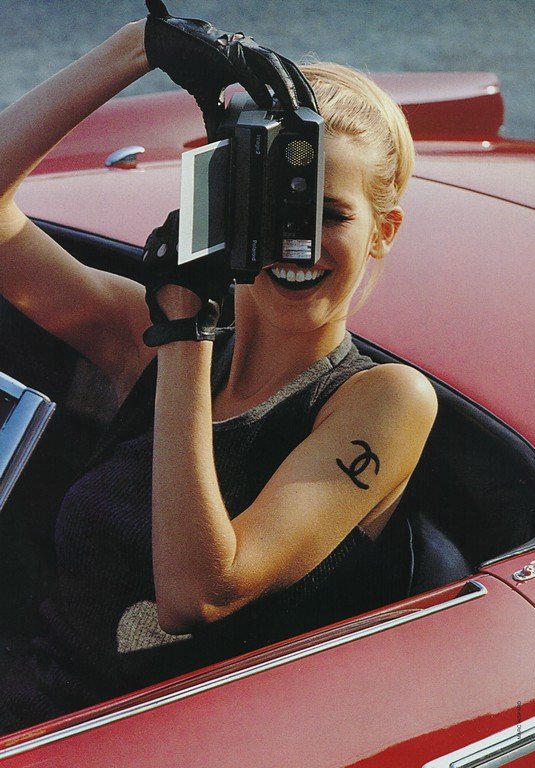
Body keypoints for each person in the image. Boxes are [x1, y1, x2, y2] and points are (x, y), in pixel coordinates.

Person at [0, 1, 437, 734]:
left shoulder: (383, 401)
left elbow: (199, 594)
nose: (297, 244)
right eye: (273, 206)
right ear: (229, 206)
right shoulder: (153, 334)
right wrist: (135, 49)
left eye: (330, 215)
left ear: (383, 231)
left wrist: (186, 335)